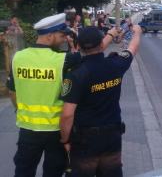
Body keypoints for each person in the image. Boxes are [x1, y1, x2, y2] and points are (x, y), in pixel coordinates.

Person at [5, 13, 87, 177]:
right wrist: (73, 36)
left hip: (27, 129)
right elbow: (89, 51)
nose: (64, 38)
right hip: (55, 131)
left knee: (23, 171)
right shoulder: (63, 60)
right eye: (61, 35)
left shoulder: (18, 57)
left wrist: (19, 110)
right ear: (50, 35)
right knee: (53, 171)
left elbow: (12, 92)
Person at [59, 25, 142, 176]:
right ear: (101, 44)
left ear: (78, 46)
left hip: (85, 141)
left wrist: (65, 140)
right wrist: (137, 32)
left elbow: (67, 115)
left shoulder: (76, 75)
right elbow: (132, 48)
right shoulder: (115, 64)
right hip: (112, 137)